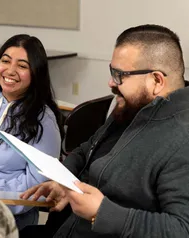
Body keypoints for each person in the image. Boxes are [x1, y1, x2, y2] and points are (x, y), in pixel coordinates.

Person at [21, 24, 189, 237]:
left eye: (120, 75)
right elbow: (86, 149)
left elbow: (181, 229)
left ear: (156, 80)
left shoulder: (182, 139)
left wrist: (101, 213)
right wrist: (64, 180)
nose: (111, 82)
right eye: (112, 71)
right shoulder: (131, 107)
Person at [0, 34, 63, 230]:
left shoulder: (43, 120)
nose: (10, 70)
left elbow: (36, 184)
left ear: (36, 72)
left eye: (22, 66)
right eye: (6, 61)